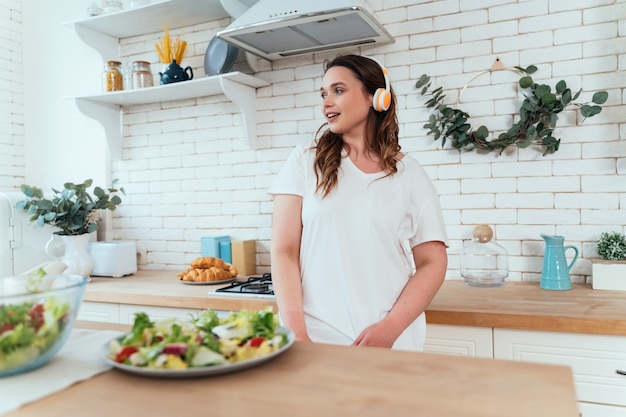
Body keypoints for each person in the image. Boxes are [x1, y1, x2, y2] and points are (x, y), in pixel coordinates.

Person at [268, 54, 448, 351]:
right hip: (315, 338)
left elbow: (433, 261)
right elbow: (283, 250)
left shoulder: (410, 174)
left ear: (376, 98)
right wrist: (297, 334)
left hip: (391, 340)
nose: (326, 102)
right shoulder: (303, 161)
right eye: (323, 94)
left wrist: (389, 329)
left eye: (338, 91)